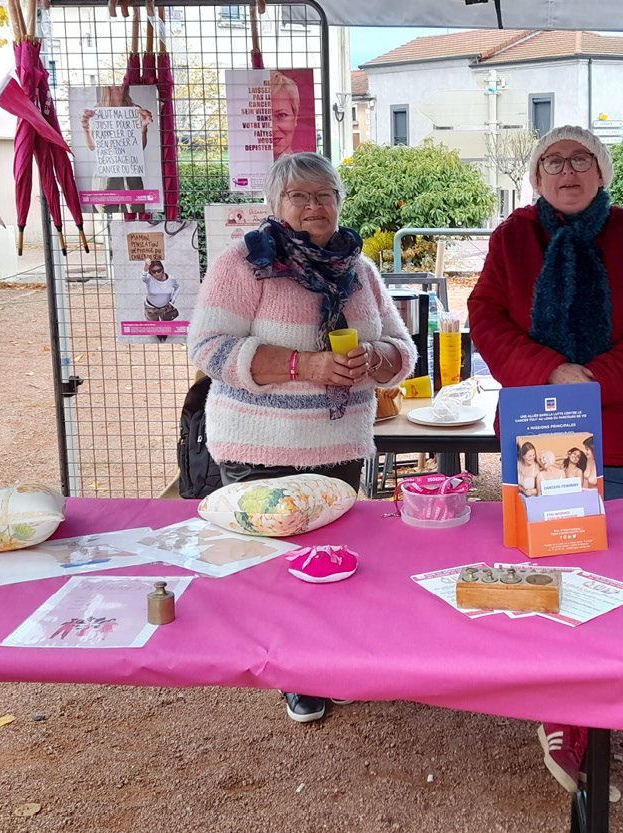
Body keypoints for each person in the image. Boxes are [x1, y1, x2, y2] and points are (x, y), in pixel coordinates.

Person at [467, 124, 623, 793]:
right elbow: (487, 317)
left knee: (618, 575)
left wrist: (596, 381)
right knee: (552, 572)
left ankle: (611, 693)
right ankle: (562, 713)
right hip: (538, 425)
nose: (567, 170)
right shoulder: (510, 239)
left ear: (602, 172)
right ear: (535, 177)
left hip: (616, 432)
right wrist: (553, 372)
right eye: (553, 161)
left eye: (581, 159)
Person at [187, 152, 415, 724]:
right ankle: (291, 672)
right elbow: (207, 348)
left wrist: (378, 357)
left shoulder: (359, 269)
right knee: (273, 564)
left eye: (325, 195)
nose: (314, 207)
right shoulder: (245, 263)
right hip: (258, 442)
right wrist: (304, 367)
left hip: (337, 443)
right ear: (275, 205)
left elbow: (402, 347)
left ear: (340, 203)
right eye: (299, 197)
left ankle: (324, 661)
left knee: (330, 560)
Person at [79, 84, 154, 214]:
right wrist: (85, 127)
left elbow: (140, 147)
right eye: (110, 83)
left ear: (126, 86)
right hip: (105, 176)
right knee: (105, 218)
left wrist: (143, 129)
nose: (115, 85)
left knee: (134, 216)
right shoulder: (96, 112)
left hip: (130, 174)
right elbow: (92, 146)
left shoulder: (135, 110)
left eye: (119, 82)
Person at [142, 259, 179, 342]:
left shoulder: (171, 279)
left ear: (163, 269)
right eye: (154, 271)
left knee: (166, 323)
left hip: (165, 307)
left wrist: (172, 301)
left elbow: (177, 288)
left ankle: (164, 336)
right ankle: (159, 336)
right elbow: (143, 278)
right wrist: (146, 266)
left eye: (159, 271)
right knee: (154, 324)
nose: (157, 273)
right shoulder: (149, 278)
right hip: (151, 307)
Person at [269, 71, 302, 160]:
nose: (272, 128)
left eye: (281, 115)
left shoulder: (306, 171)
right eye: (263, 117)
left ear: (295, 117)